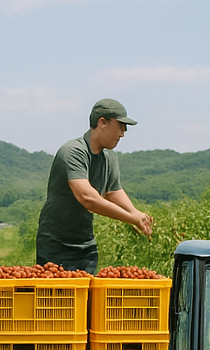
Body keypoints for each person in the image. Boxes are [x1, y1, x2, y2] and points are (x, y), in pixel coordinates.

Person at [35, 98, 154, 272]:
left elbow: (113, 191)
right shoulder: (73, 152)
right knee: (58, 297)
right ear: (102, 122)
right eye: (120, 126)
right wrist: (130, 218)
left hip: (85, 244)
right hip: (56, 243)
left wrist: (136, 213)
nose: (123, 133)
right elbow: (88, 198)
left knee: (87, 297)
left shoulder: (109, 157)